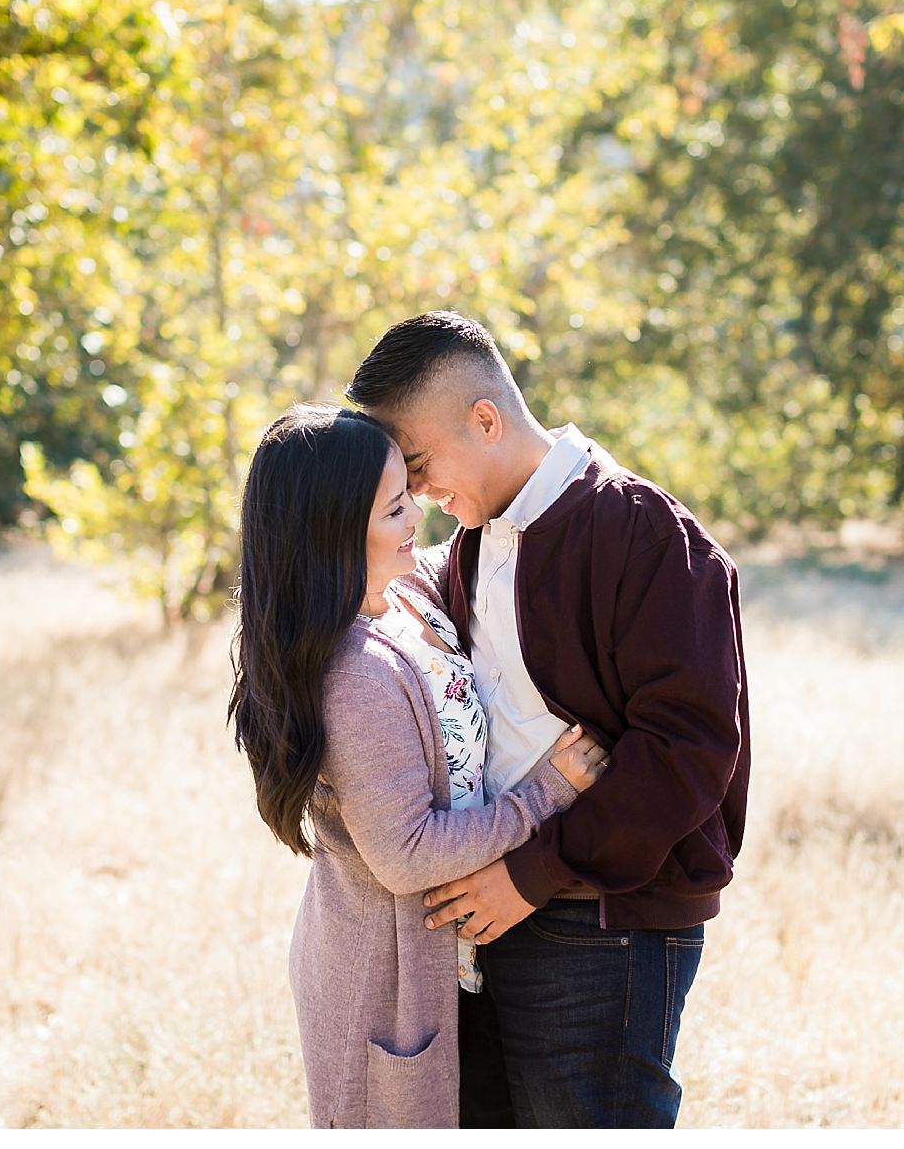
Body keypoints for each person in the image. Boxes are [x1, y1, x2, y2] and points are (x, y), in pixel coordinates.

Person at [346, 310, 751, 1128]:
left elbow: (690, 749)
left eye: (419, 466)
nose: (416, 495)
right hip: (488, 920)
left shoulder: (645, 533)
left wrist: (529, 876)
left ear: (486, 419)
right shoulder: (471, 539)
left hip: (603, 920)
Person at [226, 402, 610, 1128]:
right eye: (397, 507)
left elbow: (495, 531)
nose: (418, 520)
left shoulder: (400, 595)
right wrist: (546, 793)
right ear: (334, 533)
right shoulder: (357, 675)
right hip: (385, 981)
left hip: (439, 967)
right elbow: (408, 854)